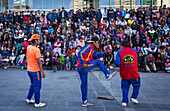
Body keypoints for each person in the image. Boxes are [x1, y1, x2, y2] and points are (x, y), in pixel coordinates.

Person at [77, 36, 117, 106]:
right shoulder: (89, 46)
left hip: (81, 68)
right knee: (98, 62)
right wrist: (83, 63)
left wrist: (105, 53)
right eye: (97, 42)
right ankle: (107, 74)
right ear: (94, 42)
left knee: (84, 84)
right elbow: (79, 53)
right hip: (82, 66)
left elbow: (97, 55)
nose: (98, 44)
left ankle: (84, 101)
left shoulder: (92, 49)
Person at [115, 41, 140, 107]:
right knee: (137, 85)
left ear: (122, 46)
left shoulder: (119, 52)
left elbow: (117, 64)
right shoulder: (134, 51)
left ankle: (124, 101)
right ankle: (134, 97)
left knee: (125, 88)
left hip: (124, 73)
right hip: (134, 72)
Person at [26, 34, 46, 107]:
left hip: (29, 70)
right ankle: (37, 103)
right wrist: (42, 72)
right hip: (35, 71)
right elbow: (39, 62)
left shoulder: (28, 47)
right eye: (39, 40)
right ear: (36, 41)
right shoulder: (37, 50)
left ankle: (29, 98)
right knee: (37, 87)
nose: (39, 42)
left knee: (32, 84)